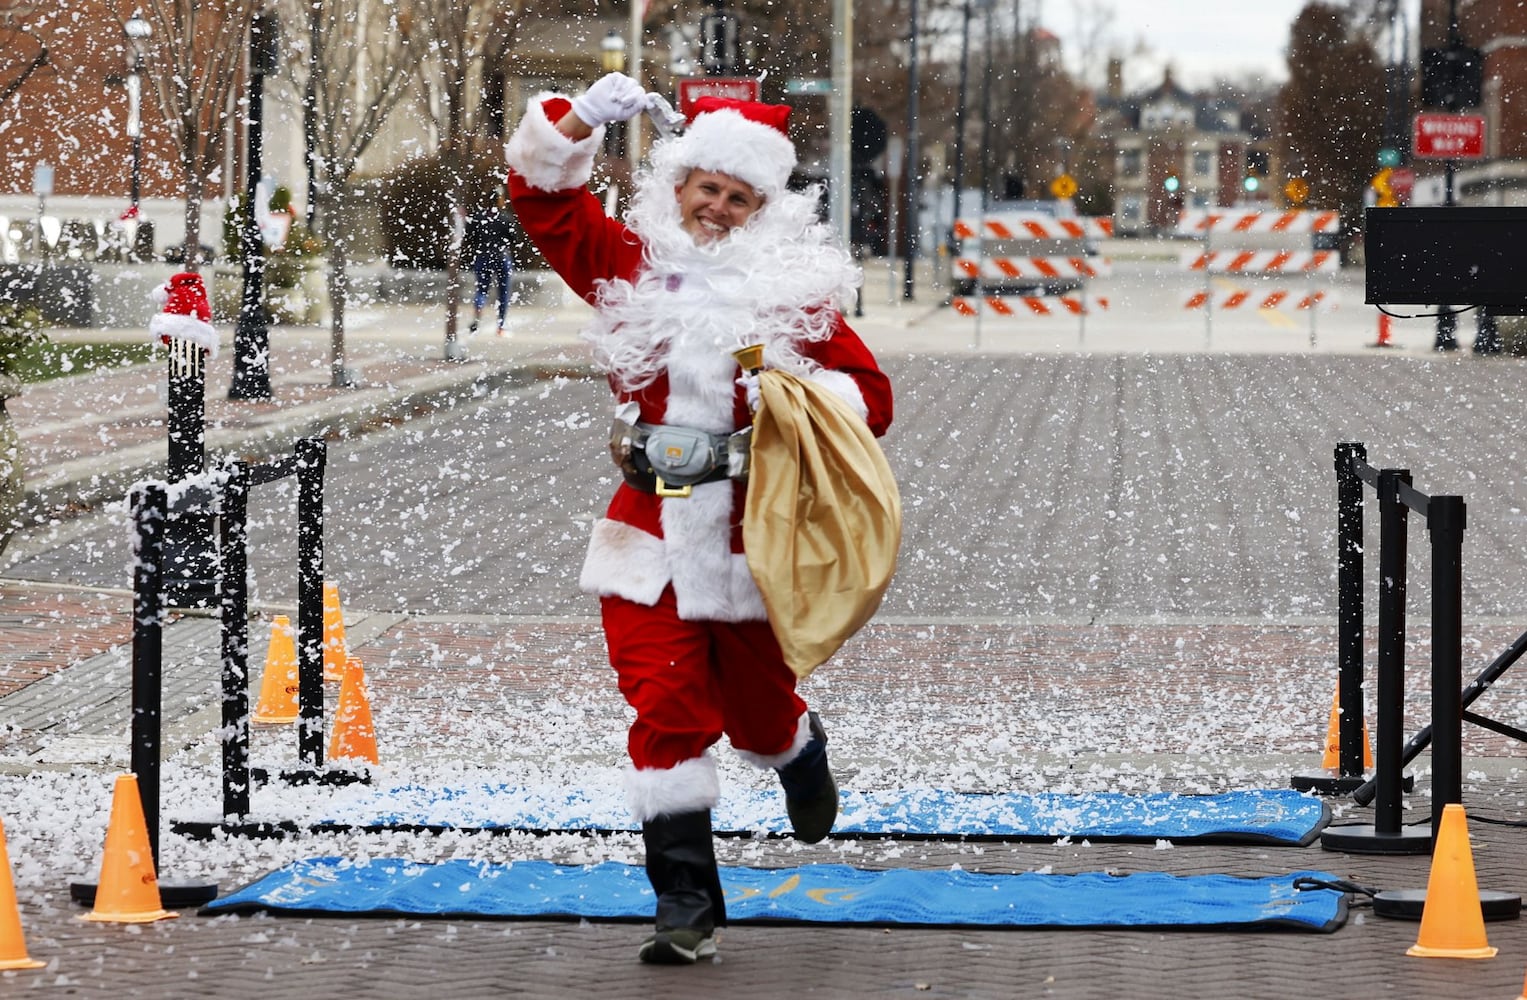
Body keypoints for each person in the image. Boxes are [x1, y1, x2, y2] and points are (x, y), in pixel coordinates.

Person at [505, 73, 893, 966]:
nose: (717, 208)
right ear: (676, 189)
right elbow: (540, 194)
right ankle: (685, 903)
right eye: (705, 189)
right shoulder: (625, 265)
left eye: (737, 197)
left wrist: (794, 394)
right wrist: (579, 119)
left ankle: (794, 748)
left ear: (762, 210)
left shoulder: (794, 300)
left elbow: (869, 400)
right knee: (663, 705)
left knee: (755, 716)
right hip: (649, 529)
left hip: (752, 538)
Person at [464, 189, 516, 336]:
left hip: (483, 256)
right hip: (502, 257)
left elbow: (470, 236)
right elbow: (514, 238)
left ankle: (477, 318)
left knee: (481, 290)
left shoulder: (478, 217)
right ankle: (501, 326)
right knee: (503, 292)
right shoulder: (506, 218)